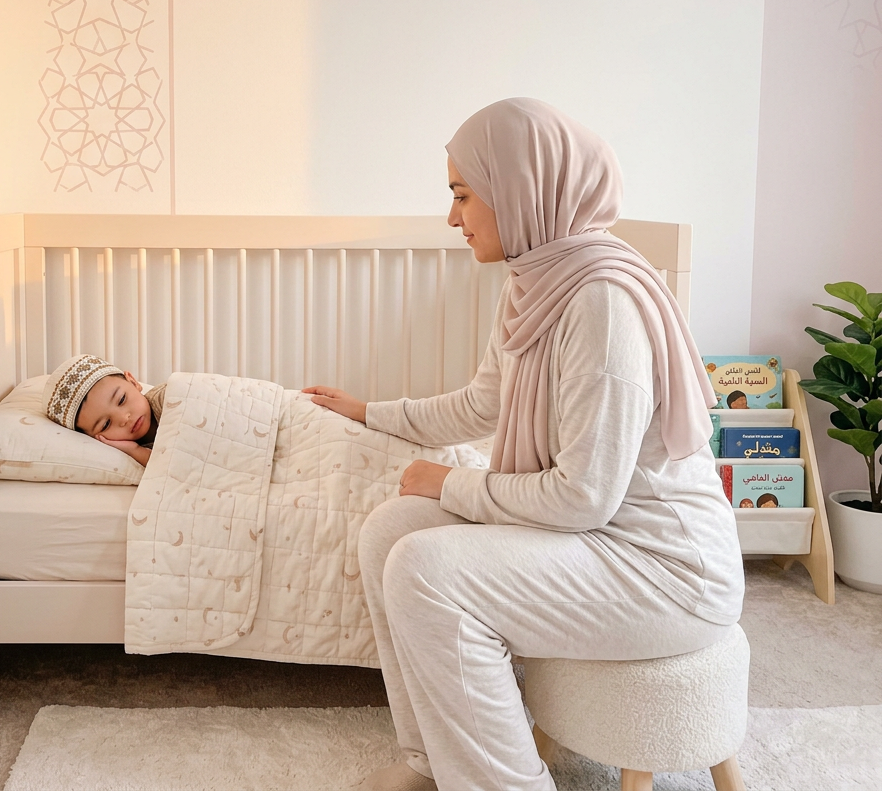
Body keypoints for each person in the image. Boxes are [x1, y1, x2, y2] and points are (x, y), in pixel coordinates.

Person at [305, 98, 744, 791]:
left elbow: (581, 496)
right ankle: (433, 762)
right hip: (604, 539)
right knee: (390, 532)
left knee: (426, 567)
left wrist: (448, 484)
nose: (453, 218)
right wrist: (372, 413)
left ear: (520, 189)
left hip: (666, 571)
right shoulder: (536, 283)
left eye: (461, 195)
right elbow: (484, 402)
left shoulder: (600, 303)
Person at [42, 354, 166, 466]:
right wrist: (135, 450)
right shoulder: (127, 453)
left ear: (133, 382)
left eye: (121, 399)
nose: (124, 418)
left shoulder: (167, 398)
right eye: (106, 424)